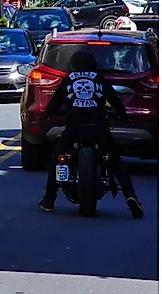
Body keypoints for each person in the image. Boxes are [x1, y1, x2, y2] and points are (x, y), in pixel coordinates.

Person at [37, 53, 146, 216]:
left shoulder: (69, 80)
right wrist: (123, 116)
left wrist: (48, 114)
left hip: (74, 129)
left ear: (72, 64)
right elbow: (115, 100)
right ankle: (130, 196)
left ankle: (49, 199)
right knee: (115, 160)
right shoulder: (99, 79)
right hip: (99, 128)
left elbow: (55, 102)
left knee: (58, 159)